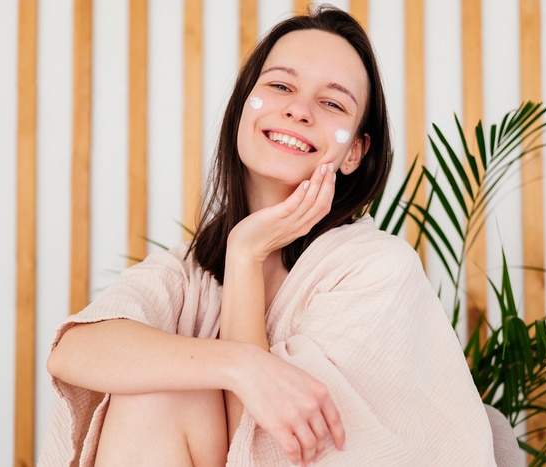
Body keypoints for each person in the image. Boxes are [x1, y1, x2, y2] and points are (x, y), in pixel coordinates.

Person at [39, 5, 496, 466]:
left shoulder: (378, 267)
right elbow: (73, 351)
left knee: (168, 386)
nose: (298, 109)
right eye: (280, 85)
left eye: (332, 102)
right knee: (157, 391)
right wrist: (242, 365)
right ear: (242, 107)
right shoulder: (189, 271)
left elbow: (270, 449)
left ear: (356, 151)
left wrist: (246, 256)